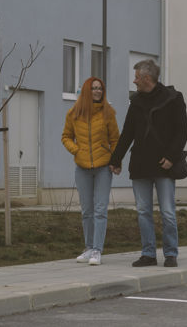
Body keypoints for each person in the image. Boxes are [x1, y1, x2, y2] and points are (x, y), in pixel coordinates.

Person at [110, 59, 187, 268]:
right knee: (143, 211)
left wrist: (171, 157)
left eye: (136, 77)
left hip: (164, 165)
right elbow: (127, 133)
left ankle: (171, 254)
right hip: (140, 165)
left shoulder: (173, 98)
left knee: (168, 212)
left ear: (146, 78)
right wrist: (115, 159)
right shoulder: (136, 102)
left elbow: (183, 130)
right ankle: (148, 254)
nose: (134, 81)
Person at [61, 77, 119, 266]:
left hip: (103, 167)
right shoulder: (74, 113)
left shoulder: (108, 113)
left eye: (100, 88)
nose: (97, 91)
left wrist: (115, 160)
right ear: (87, 91)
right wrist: (76, 150)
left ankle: (97, 250)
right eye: (94, 88)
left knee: (100, 210)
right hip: (82, 168)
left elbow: (115, 139)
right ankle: (88, 248)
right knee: (87, 210)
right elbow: (66, 137)